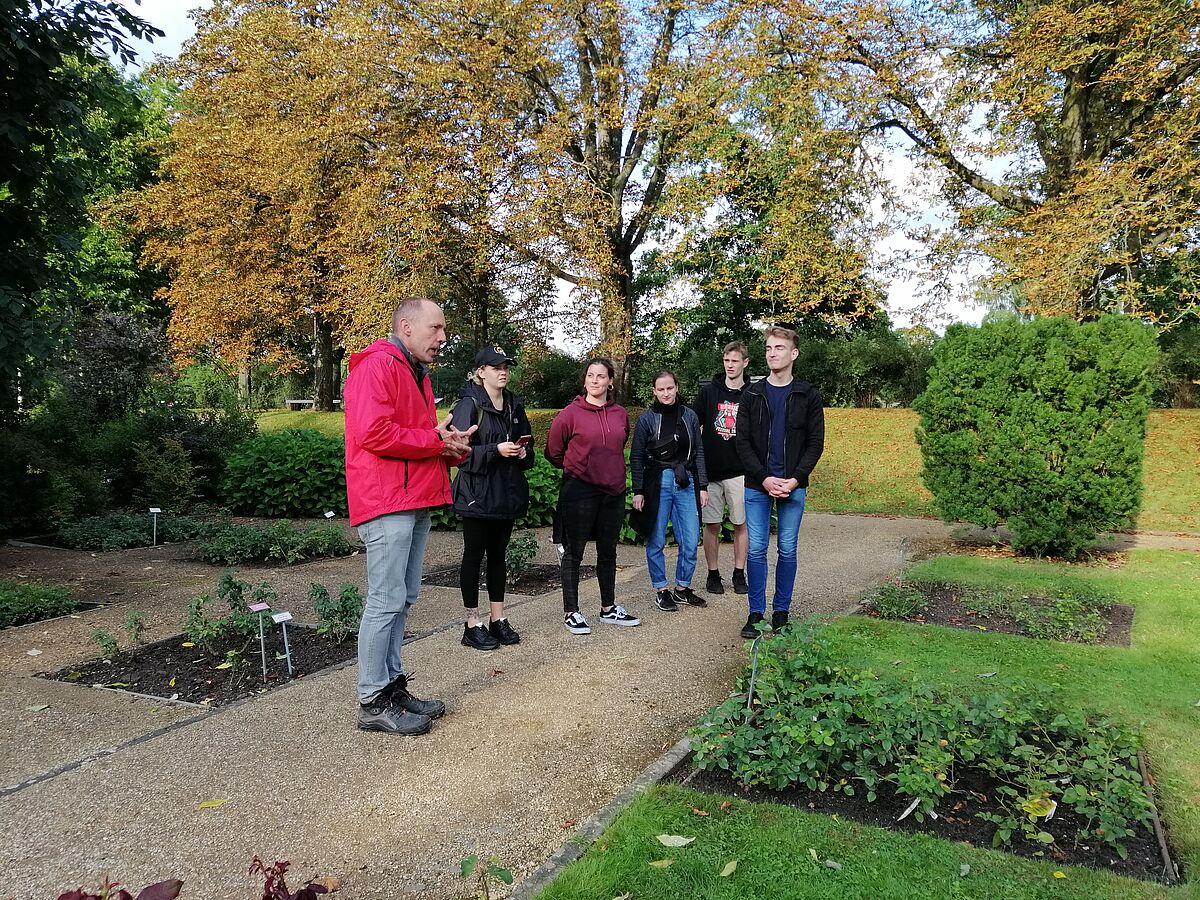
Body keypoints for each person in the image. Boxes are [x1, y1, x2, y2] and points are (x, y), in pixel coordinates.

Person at [344, 297, 475, 736]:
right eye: (435, 328)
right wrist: (436, 442)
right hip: (387, 504)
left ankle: (392, 688)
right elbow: (373, 433)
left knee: (403, 598)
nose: (442, 338)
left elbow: (417, 440)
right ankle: (372, 698)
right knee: (384, 600)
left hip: (410, 500)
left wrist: (449, 447)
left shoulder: (412, 372)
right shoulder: (377, 366)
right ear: (406, 326)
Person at [733, 326, 825, 638]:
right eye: (769, 348)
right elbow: (741, 442)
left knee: (787, 548)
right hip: (758, 485)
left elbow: (815, 443)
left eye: (779, 348)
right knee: (756, 548)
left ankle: (781, 612)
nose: (772, 353)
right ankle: (756, 613)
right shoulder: (752, 394)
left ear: (794, 354)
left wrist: (796, 479)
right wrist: (764, 478)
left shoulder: (808, 395)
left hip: (793, 486)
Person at [449, 346, 535, 651]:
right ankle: (472, 624)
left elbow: (529, 454)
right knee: (474, 555)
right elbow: (457, 455)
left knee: (499, 556)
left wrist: (523, 452)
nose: (503, 371)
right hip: (476, 495)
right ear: (480, 371)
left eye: (506, 366)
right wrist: (495, 450)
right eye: (495, 366)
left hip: (506, 495)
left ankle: (498, 619)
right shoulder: (469, 405)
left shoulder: (515, 404)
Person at [546, 358, 640, 634]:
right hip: (580, 490)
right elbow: (553, 452)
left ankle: (608, 608)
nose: (596, 380)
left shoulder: (620, 414)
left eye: (601, 376)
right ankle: (571, 612)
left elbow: (618, 444)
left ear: (611, 381)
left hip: (612, 491)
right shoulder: (570, 414)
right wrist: (580, 468)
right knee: (574, 552)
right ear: (585, 380)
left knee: (608, 551)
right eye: (591, 376)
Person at [631, 370, 709, 611]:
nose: (666, 393)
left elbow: (698, 451)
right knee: (655, 540)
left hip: (686, 481)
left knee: (691, 538)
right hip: (658, 481)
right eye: (661, 389)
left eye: (670, 388)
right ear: (654, 391)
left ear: (677, 387)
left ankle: (682, 588)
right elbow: (637, 455)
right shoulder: (646, 419)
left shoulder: (690, 416)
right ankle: (661, 589)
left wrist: (703, 486)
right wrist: (638, 490)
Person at [691, 341, 751, 597]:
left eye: (735, 361)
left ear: (744, 363)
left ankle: (739, 572)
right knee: (712, 524)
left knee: (741, 523)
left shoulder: (752, 393)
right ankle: (713, 573)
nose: (730, 365)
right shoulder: (709, 393)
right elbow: (693, 426)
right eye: (727, 361)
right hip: (712, 471)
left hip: (740, 470)